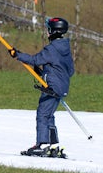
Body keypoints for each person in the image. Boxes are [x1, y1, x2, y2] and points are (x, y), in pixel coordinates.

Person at [9, 16, 74, 158]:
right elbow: (69, 70)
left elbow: (35, 59)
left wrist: (17, 55)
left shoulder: (52, 48)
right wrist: (44, 72)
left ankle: (42, 144)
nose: (47, 32)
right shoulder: (65, 48)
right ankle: (54, 145)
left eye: (48, 29)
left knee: (42, 114)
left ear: (53, 31)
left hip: (51, 87)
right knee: (49, 115)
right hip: (61, 87)